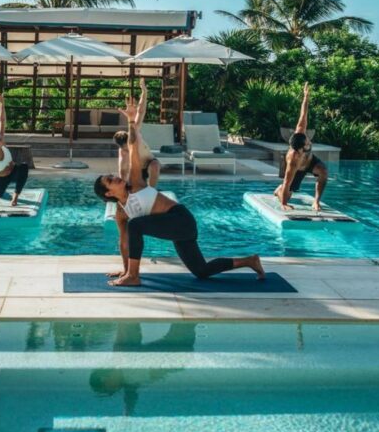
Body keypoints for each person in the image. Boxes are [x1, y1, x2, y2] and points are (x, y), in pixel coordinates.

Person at [94, 97, 264, 287]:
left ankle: (134, 277)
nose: (115, 177)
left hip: (181, 219)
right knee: (202, 271)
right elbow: (124, 241)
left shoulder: (135, 183)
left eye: (111, 176)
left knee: (136, 225)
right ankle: (250, 261)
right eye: (110, 181)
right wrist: (125, 269)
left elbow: (133, 148)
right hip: (177, 229)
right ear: (108, 193)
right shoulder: (120, 211)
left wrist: (132, 121)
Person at [274, 82, 328, 212]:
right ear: (299, 150)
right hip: (298, 169)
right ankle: (278, 191)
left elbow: (303, 114)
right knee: (287, 192)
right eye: (307, 144)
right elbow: (287, 181)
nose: (309, 142)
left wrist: (306, 97)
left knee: (323, 171)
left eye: (307, 140)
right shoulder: (293, 159)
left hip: (310, 162)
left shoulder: (300, 132)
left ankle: (316, 202)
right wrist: (284, 204)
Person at [0, 92, 29, 207]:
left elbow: (2, 121)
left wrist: (2, 103)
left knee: (23, 167)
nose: (2, 138)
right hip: (1, 179)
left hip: (13, 172)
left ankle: (15, 197)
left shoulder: (1, 143)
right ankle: (2, 190)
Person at [113, 78, 160, 187]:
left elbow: (141, 111)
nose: (130, 148)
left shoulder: (135, 134)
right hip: (136, 169)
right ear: (122, 148)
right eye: (127, 148)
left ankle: (151, 191)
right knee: (128, 181)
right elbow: (122, 173)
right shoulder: (123, 153)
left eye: (129, 144)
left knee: (155, 165)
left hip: (149, 163)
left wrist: (144, 92)